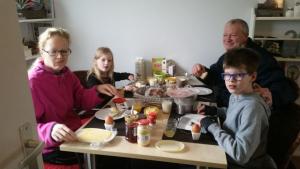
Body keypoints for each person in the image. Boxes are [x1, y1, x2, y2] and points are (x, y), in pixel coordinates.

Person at [28, 27, 119, 165]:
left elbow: (81, 100)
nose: (60, 56)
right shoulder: (33, 82)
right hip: (55, 147)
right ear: (42, 52)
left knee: (116, 148)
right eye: (53, 51)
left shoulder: (67, 74)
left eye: (64, 51)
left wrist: (97, 90)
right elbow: (28, 129)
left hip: (76, 133)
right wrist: (51, 129)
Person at [192, 18, 297, 110]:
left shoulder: (260, 58)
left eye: (233, 35)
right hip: (225, 107)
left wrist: (271, 96)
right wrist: (202, 71)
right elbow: (215, 76)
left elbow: (286, 89)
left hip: (246, 111)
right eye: (225, 35)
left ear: (245, 37)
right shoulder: (229, 55)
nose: (227, 39)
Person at [198, 48, 277, 169]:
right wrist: (215, 111)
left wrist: (212, 127)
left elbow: (240, 155)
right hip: (225, 154)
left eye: (238, 75)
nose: (231, 80)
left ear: (253, 76)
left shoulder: (253, 108)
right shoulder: (237, 94)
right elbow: (234, 115)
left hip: (238, 164)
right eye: (227, 75)